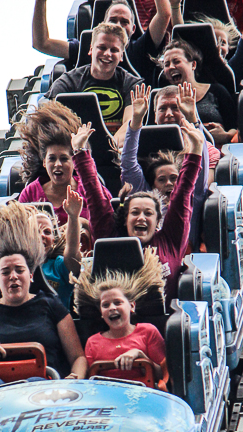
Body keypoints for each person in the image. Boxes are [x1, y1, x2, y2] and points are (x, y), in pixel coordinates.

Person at [0, 202, 87, 393]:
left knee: (35, 384)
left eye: (19, 270)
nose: (13, 276)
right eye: (6, 272)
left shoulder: (50, 305)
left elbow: (78, 358)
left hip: (42, 392)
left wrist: (74, 379)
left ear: (31, 276)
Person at [71, 120, 204, 305]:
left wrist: (196, 149)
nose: (141, 217)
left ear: (158, 221)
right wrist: (80, 152)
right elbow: (95, 196)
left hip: (164, 326)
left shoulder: (170, 240)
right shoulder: (111, 239)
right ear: (125, 219)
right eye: (135, 212)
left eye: (148, 213)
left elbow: (183, 194)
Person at [121, 83, 219, 249]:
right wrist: (136, 121)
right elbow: (128, 165)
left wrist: (193, 120)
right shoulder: (146, 197)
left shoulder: (190, 199)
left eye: (174, 178)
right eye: (162, 179)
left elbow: (197, 169)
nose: (169, 184)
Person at [74, 251, 167, 383]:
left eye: (118, 303)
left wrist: (140, 356)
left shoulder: (148, 332)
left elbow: (164, 376)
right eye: (106, 305)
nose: (112, 308)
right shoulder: (92, 343)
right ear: (101, 312)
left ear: (132, 306)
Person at [17, 101, 112, 229]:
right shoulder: (30, 194)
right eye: (52, 159)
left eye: (64, 159)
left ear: (74, 161)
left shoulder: (86, 188)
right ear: (44, 162)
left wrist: (81, 223)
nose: (57, 164)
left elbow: (106, 218)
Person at [45, 22, 143, 142]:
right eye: (102, 48)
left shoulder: (132, 84)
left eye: (114, 50)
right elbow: (54, 123)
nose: (107, 54)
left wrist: (109, 148)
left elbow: (130, 123)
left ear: (121, 55)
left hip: (117, 152)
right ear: (91, 49)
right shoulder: (67, 83)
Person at [33, 0, 172, 85]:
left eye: (124, 22)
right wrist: (40, 1)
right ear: (103, 23)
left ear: (133, 28)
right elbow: (42, 43)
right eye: (113, 20)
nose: (118, 25)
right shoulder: (85, 48)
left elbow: (164, 14)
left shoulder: (141, 48)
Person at [160, 39, 238, 146]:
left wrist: (226, 135)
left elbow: (236, 128)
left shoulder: (217, 91)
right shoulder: (162, 98)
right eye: (166, 64)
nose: (171, 67)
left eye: (177, 61)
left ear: (193, 65)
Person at [193, 0, 243, 87]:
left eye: (222, 42)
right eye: (214, 41)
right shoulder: (194, 68)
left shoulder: (233, 66)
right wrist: (175, 7)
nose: (218, 46)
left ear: (228, 48)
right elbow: (181, 42)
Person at [38, 186, 83, 307]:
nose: (41, 235)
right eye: (35, 231)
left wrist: (73, 217)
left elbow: (72, 252)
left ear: (53, 240)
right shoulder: (19, 267)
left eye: (47, 232)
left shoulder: (57, 266)